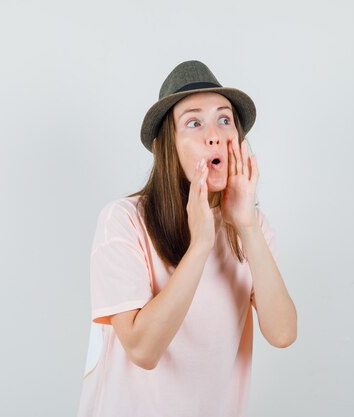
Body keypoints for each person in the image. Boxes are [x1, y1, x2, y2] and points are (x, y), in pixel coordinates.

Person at [77, 60, 297, 417]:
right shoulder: (123, 221)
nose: (214, 134)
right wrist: (200, 246)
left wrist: (248, 228)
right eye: (194, 123)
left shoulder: (251, 226)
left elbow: (283, 333)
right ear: (169, 146)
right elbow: (143, 350)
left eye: (224, 119)